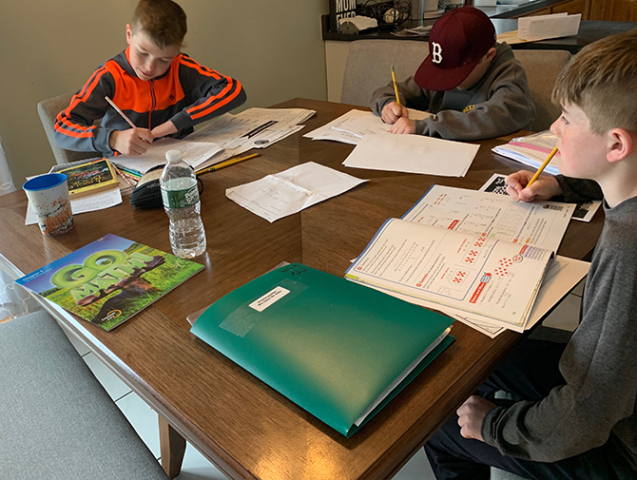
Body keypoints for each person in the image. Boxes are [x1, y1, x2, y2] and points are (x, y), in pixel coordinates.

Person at [424, 29, 637, 479]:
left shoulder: (627, 250)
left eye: (565, 118)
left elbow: (590, 411)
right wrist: (563, 182)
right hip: (616, 387)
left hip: (621, 445)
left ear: (616, 145)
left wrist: (495, 426)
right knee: (470, 364)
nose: (554, 128)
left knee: (440, 422)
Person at [53, 0, 246, 157]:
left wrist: (173, 125)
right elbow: (61, 129)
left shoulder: (180, 68)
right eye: (143, 53)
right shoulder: (109, 76)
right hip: (127, 174)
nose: (149, 67)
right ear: (129, 34)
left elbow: (233, 90)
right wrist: (113, 139)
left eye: (164, 59)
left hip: (182, 164)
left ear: (177, 52)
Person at [370, 6, 534, 141]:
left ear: (488, 56)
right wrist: (387, 104)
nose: (448, 81)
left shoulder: (509, 74)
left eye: (457, 73)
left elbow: (497, 116)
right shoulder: (444, 67)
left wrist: (426, 126)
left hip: (488, 163)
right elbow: (390, 90)